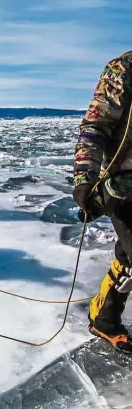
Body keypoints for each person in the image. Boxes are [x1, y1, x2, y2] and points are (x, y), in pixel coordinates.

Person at [73, 50, 132, 354]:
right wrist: (85, 176)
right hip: (125, 187)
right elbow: (96, 127)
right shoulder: (123, 69)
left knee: (128, 258)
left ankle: (105, 319)